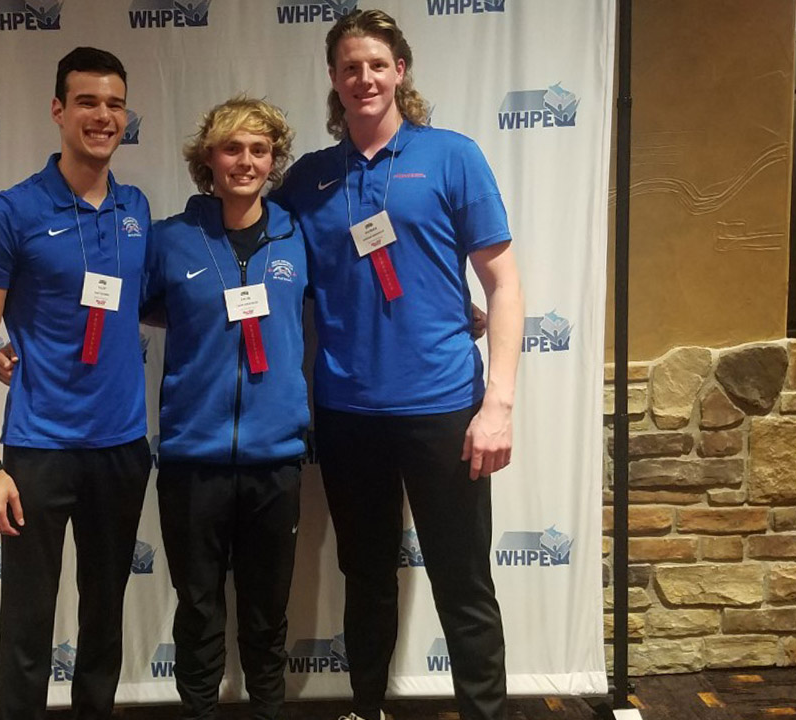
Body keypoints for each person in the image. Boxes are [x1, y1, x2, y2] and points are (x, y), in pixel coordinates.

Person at [274, 9, 524, 720]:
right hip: (349, 414)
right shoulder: (310, 182)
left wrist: (497, 403)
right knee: (366, 578)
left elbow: (503, 284)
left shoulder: (452, 156)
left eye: (377, 65)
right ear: (333, 79)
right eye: (350, 67)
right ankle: (365, 708)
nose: (364, 78)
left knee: (463, 581)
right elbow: (264, 275)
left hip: (445, 408)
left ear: (400, 73)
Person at [0, 46, 153, 720]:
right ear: (58, 111)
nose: (103, 116)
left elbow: (136, 303)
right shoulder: (8, 213)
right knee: (27, 626)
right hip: (39, 450)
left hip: (124, 448)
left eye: (114, 103)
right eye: (88, 102)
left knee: (104, 620)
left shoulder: (137, 209)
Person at [144, 96, 309, 720]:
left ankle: (268, 710)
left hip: (276, 459)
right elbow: (106, 300)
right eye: (232, 148)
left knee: (268, 612)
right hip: (193, 458)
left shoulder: (300, 234)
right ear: (207, 159)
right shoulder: (170, 240)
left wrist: (460, 307)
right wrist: (18, 340)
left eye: (259, 149)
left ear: (274, 159)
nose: (245, 161)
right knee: (199, 608)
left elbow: (361, 294)